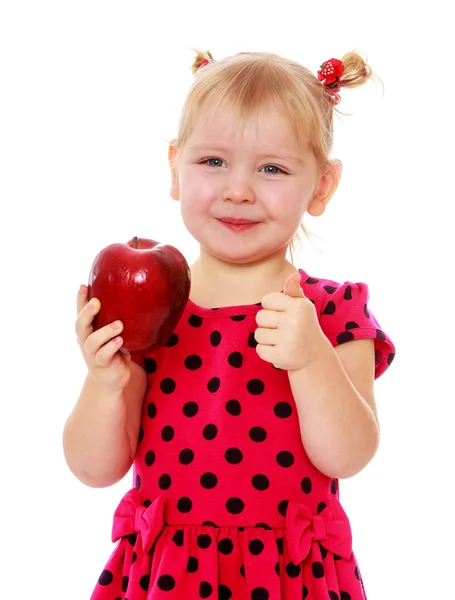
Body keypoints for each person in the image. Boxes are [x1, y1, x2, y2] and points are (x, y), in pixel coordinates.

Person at [63, 48, 396, 600]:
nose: (238, 189)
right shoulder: (155, 308)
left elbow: (349, 455)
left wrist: (311, 359)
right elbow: (94, 469)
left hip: (291, 578)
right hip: (168, 576)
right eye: (213, 162)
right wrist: (105, 383)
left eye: (272, 168)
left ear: (322, 185)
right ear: (174, 166)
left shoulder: (331, 311)